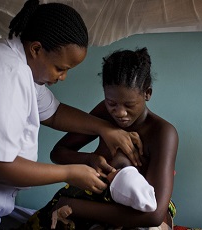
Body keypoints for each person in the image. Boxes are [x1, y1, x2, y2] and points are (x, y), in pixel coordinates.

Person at [0, 1, 143, 229]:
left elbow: (54, 112)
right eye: (60, 68)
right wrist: (69, 173)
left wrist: (105, 128)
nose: (63, 77)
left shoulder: (21, 66)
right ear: (36, 49)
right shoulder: (6, 73)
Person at [22, 47, 179, 229]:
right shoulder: (105, 114)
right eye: (111, 103)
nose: (120, 113)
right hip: (94, 199)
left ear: (147, 93)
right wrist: (89, 159)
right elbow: (58, 153)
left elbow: (154, 215)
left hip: (133, 213)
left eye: (129, 105)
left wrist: (73, 206)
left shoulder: (162, 133)